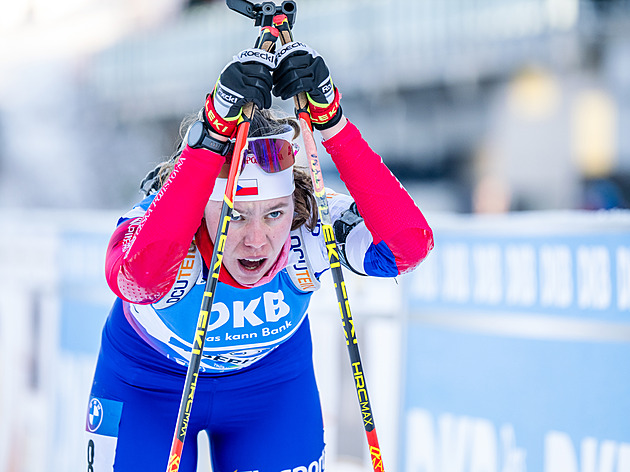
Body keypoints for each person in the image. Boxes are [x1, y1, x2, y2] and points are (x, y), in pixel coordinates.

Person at [85, 41, 434, 472]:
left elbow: (409, 244)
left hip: (271, 387)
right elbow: (137, 280)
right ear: (201, 207)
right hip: (149, 386)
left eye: (274, 214)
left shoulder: (310, 220)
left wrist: (333, 124)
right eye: (234, 215)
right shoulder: (167, 222)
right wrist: (209, 138)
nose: (257, 240)